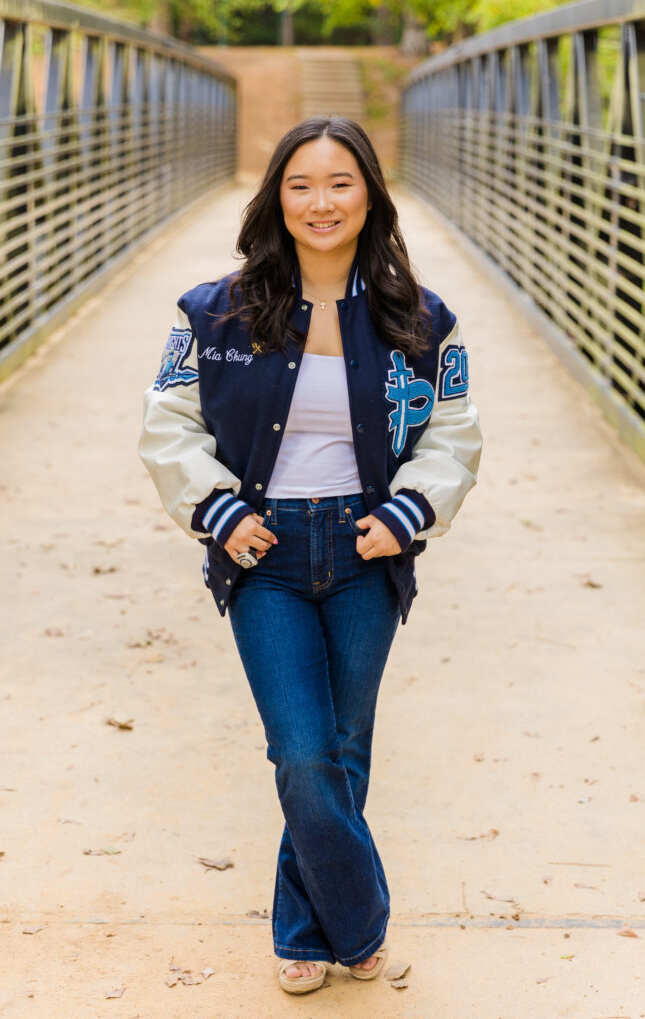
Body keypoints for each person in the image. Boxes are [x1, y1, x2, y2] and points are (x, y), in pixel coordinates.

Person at [138, 115, 482, 994]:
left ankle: (303, 931)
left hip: (368, 549)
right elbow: (168, 426)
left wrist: (410, 512)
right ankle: (360, 923)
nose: (320, 202)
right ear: (276, 198)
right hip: (266, 556)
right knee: (301, 751)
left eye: (339, 183)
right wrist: (217, 509)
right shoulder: (211, 312)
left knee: (343, 749)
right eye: (300, 185)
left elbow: (452, 431)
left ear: (368, 193)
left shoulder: (420, 317)